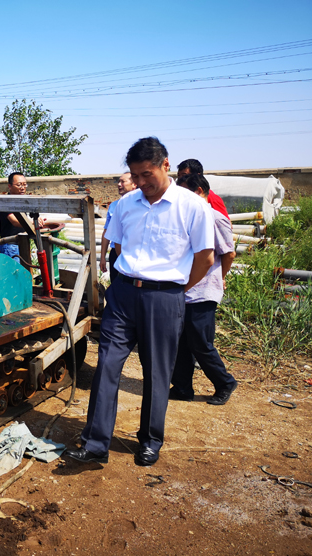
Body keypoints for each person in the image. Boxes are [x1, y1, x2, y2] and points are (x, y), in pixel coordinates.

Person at [64, 137, 214, 468]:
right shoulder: (126, 205)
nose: (142, 182)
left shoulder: (193, 207)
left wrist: (176, 291)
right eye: (135, 175)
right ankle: (96, 443)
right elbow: (118, 246)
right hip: (123, 295)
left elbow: (205, 258)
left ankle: (149, 440)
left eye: (147, 174)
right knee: (107, 365)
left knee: (157, 371)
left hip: (165, 297)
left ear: (165, 165)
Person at [170, 173, 238, 405]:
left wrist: (220, 278)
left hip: (203, 291)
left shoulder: (215, 218)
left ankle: (225, 382)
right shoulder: (189, 217)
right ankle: (182, 388)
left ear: (198, 191)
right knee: (181, 343)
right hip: (185, 290)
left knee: (200, 343)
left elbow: (229, 253)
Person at [0, 172, 46, 259]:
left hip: (23, 244)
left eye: (24, 184)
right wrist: (33, 222)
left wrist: (38, 220)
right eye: (19, 185)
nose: (22, 188)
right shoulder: (5, 202)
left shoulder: (22, 201)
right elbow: (15, 221)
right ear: (9, 186)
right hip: (10, 246)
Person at [99, 172, 137, 284]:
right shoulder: (113, 206)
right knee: (116, 285)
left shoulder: (140, 205)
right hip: (115, 253)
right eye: (118, 181)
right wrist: (102, 257)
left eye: (123, 182)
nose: (119, 184)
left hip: (131, 252)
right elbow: (107, 232)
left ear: (134, 184)